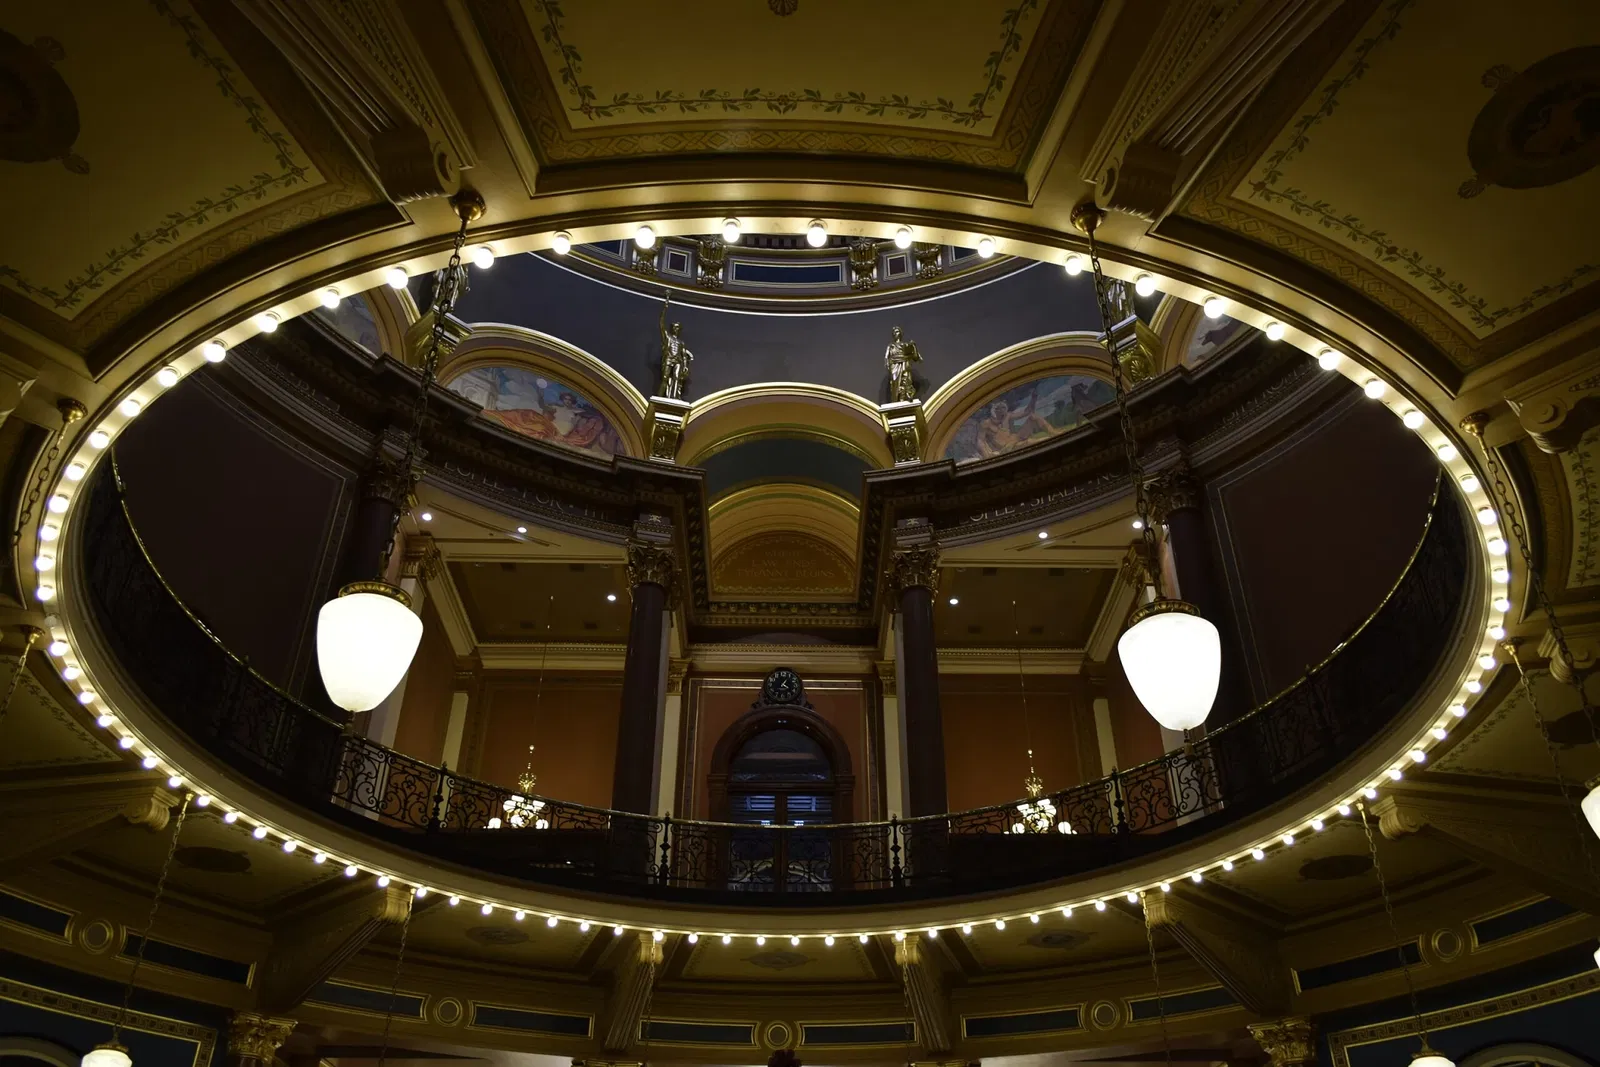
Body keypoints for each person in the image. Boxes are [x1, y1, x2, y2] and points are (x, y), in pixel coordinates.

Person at [659, 295, 693, 399]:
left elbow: (683, 355)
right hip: (669, 359)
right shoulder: (668, 337)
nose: (676, 329)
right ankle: (660, 396)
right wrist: (665, 308)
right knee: (665, 378)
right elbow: (661, 323)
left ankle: (674, 397)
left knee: (676, 377)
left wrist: (686, 366)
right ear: (672, 328)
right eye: (675, 327)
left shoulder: (680, 342)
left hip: (678, 361)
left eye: (678, 328)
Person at [884, 325, 921, 402]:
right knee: (895, 381)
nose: (895, 333)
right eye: (894, 332)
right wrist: (887, 363)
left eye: (897, 331)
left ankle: (904, 398)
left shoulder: (905, 345)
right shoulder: (891, 346)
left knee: (906, 380)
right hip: (894, 365)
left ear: (900, 333)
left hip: (904, 363)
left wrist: (913, 346)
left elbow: (913, 354)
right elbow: (886, 356)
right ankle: (895, 399)